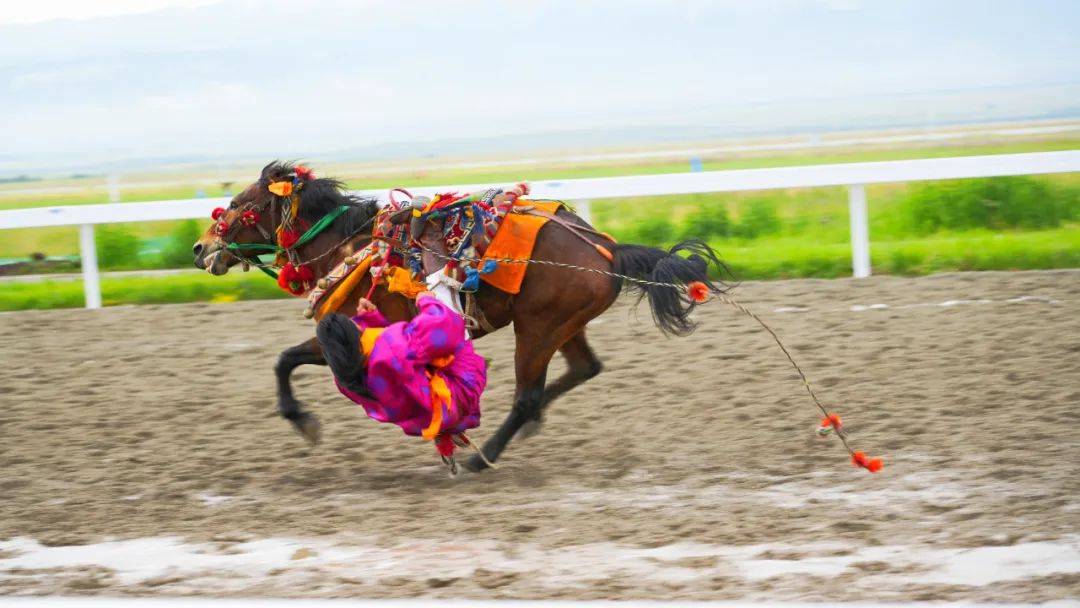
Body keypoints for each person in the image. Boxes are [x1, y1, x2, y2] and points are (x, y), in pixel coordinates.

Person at [316, 292, 487, 471]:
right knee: (457, 331)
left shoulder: (344, 381)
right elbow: (444, 326)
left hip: (419, 421)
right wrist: (426, 300)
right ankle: (449, 426)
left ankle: (444, 432)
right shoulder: (392, 346)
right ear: (354, 332)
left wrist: (370, 319)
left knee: (414, 368)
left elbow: (391, 365)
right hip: (458, 398)